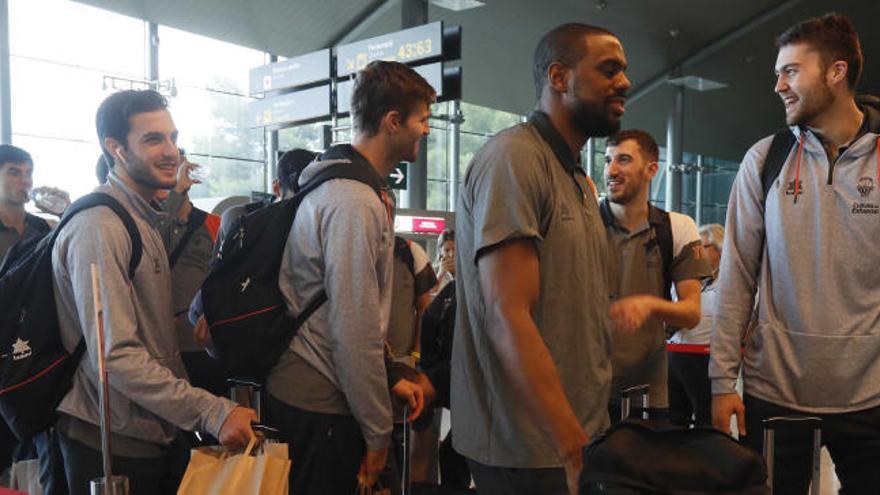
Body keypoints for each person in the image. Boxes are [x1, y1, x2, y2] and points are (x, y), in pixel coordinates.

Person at [452, 23, 630, 495]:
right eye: (609, 69)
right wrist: (570, 445)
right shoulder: (515, 159)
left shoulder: (574, 174)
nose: (626, 82)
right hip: (531, 449)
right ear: (559, 76)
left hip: (570, 438)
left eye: (624, 71)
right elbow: (506, 315)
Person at [51, 89, 256, 494]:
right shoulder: (101, 226)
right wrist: (211, 410)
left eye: (173, 137)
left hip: (148, 430)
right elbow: (117, 355)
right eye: (152, 139)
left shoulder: (142, 217)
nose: (171, 152)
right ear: (115, 148)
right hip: (110, 443)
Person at [710, 13, 880, 493]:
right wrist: (722, 382)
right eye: (776, 73)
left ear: (836, 72)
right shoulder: (765, 159)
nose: (778, 85)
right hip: (775, 395)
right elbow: (736, 276)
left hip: (870, 397)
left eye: (790, 71)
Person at [264, 60, 436, 494]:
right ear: (393, 121)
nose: (427, 131)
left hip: (311, 390)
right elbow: (353, 325)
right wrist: (378, 431)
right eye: (423, 120)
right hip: (320, 401)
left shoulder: (334, 183)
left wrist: (386, 377)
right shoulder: (354, 202)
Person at [599, 129, 711, 422]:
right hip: (586, 392)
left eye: (623, 160)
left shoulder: (675, 228)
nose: (611, 170)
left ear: (651, 170)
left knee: (644, 468)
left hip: (647, 394)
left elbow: (691, 313)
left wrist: (650, 306)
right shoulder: (585, 224)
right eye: (607, 159)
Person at [667, 223, 724, 426]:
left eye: (701, 246)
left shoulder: (728, 282)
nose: (695, 253)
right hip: (673, 356)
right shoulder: (683, 280)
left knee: (706, 422)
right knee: (672, 422)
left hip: (705, 360)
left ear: (719, 250)